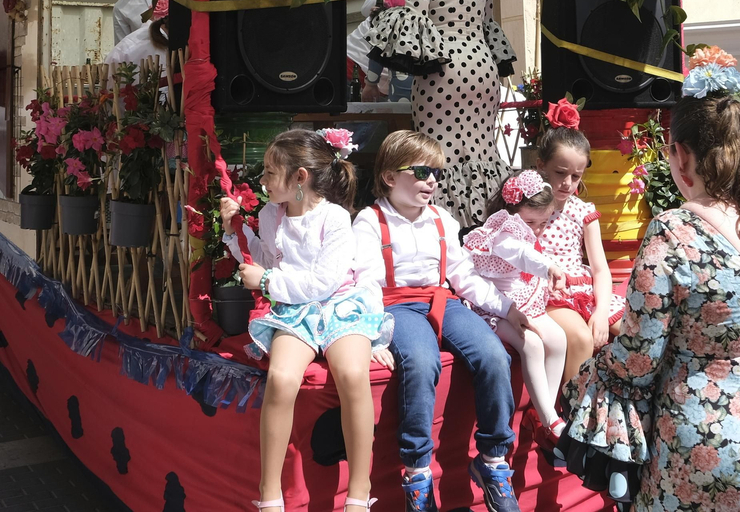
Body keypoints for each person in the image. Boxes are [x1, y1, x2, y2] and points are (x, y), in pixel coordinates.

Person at [560, 68, 740, 512]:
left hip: (716, 460)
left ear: (680, 154)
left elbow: (636, 363)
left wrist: (581, 378)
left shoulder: (677, 230)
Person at [354, 130, 534, 512]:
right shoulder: (370, 222)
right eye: (421, 171)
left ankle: (492, 461)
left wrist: (506, 308)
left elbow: (464, 276)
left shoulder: (442, 219)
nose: (432, 181)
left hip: (442, 301)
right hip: (396, 306)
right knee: (421, 362)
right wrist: (374, 335)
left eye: (437, 172)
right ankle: (417, 473)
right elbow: (365, 283)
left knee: (493, 355)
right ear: (389, 177)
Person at [219, 129, 390, 511]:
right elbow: (267, 258)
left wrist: (265, 281)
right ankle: (269, 495)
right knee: (281, 378)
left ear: (300, 177)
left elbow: (322, 283)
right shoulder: (269, 214)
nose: (261, 180)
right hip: (296, 310)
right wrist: (237, 234)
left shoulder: (335, 219)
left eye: (268, 172)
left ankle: (359, 495)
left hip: (339, 304)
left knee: (351, 375)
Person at [370, 0, 516, 225]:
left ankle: (440, 225)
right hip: (481, 66)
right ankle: (485, 222)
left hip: (443, 68)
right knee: (482, 151)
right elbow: (487, 21)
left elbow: (415, 17)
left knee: (436, 151)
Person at [463, 170, 571, 450]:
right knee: (532, 345)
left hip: (524, 301)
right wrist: (547, 266)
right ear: (511, 212)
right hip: (495, 308)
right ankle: (549, 419)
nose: (536, 229)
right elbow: (522, 255)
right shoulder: (502, 234)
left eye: (543, 222)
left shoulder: (524, 232)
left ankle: (544, 409)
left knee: (558, 338)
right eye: (530, 221)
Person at [531, 103, 621, 385]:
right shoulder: (528, 208)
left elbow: (600, 269)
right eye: (560, 173)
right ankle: (574, 414)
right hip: (549, 292)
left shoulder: (583, 211)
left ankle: (621, 402)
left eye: (576, 176)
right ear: (540, 165)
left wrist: (602, 311)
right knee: (581, 338)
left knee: (635, 329)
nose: (568, 183)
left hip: (583, 289)